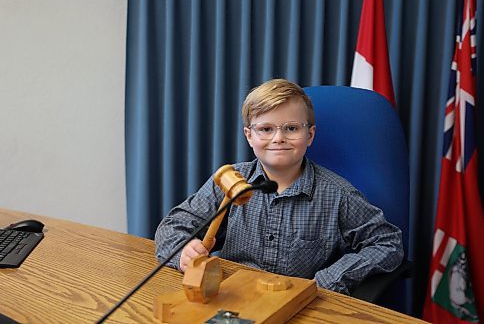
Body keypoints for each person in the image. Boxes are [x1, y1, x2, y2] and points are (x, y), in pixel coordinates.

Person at [155, 78, 403, 295]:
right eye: (265, 129)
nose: (278, 138)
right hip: (231, 298)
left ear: (310, 135)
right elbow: (172, 226)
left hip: (297, 303)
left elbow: (388, 243)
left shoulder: (338, 195)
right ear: (249, 136)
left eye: (292, 128)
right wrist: (183, 252)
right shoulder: (229, 181)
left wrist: (330, 279)